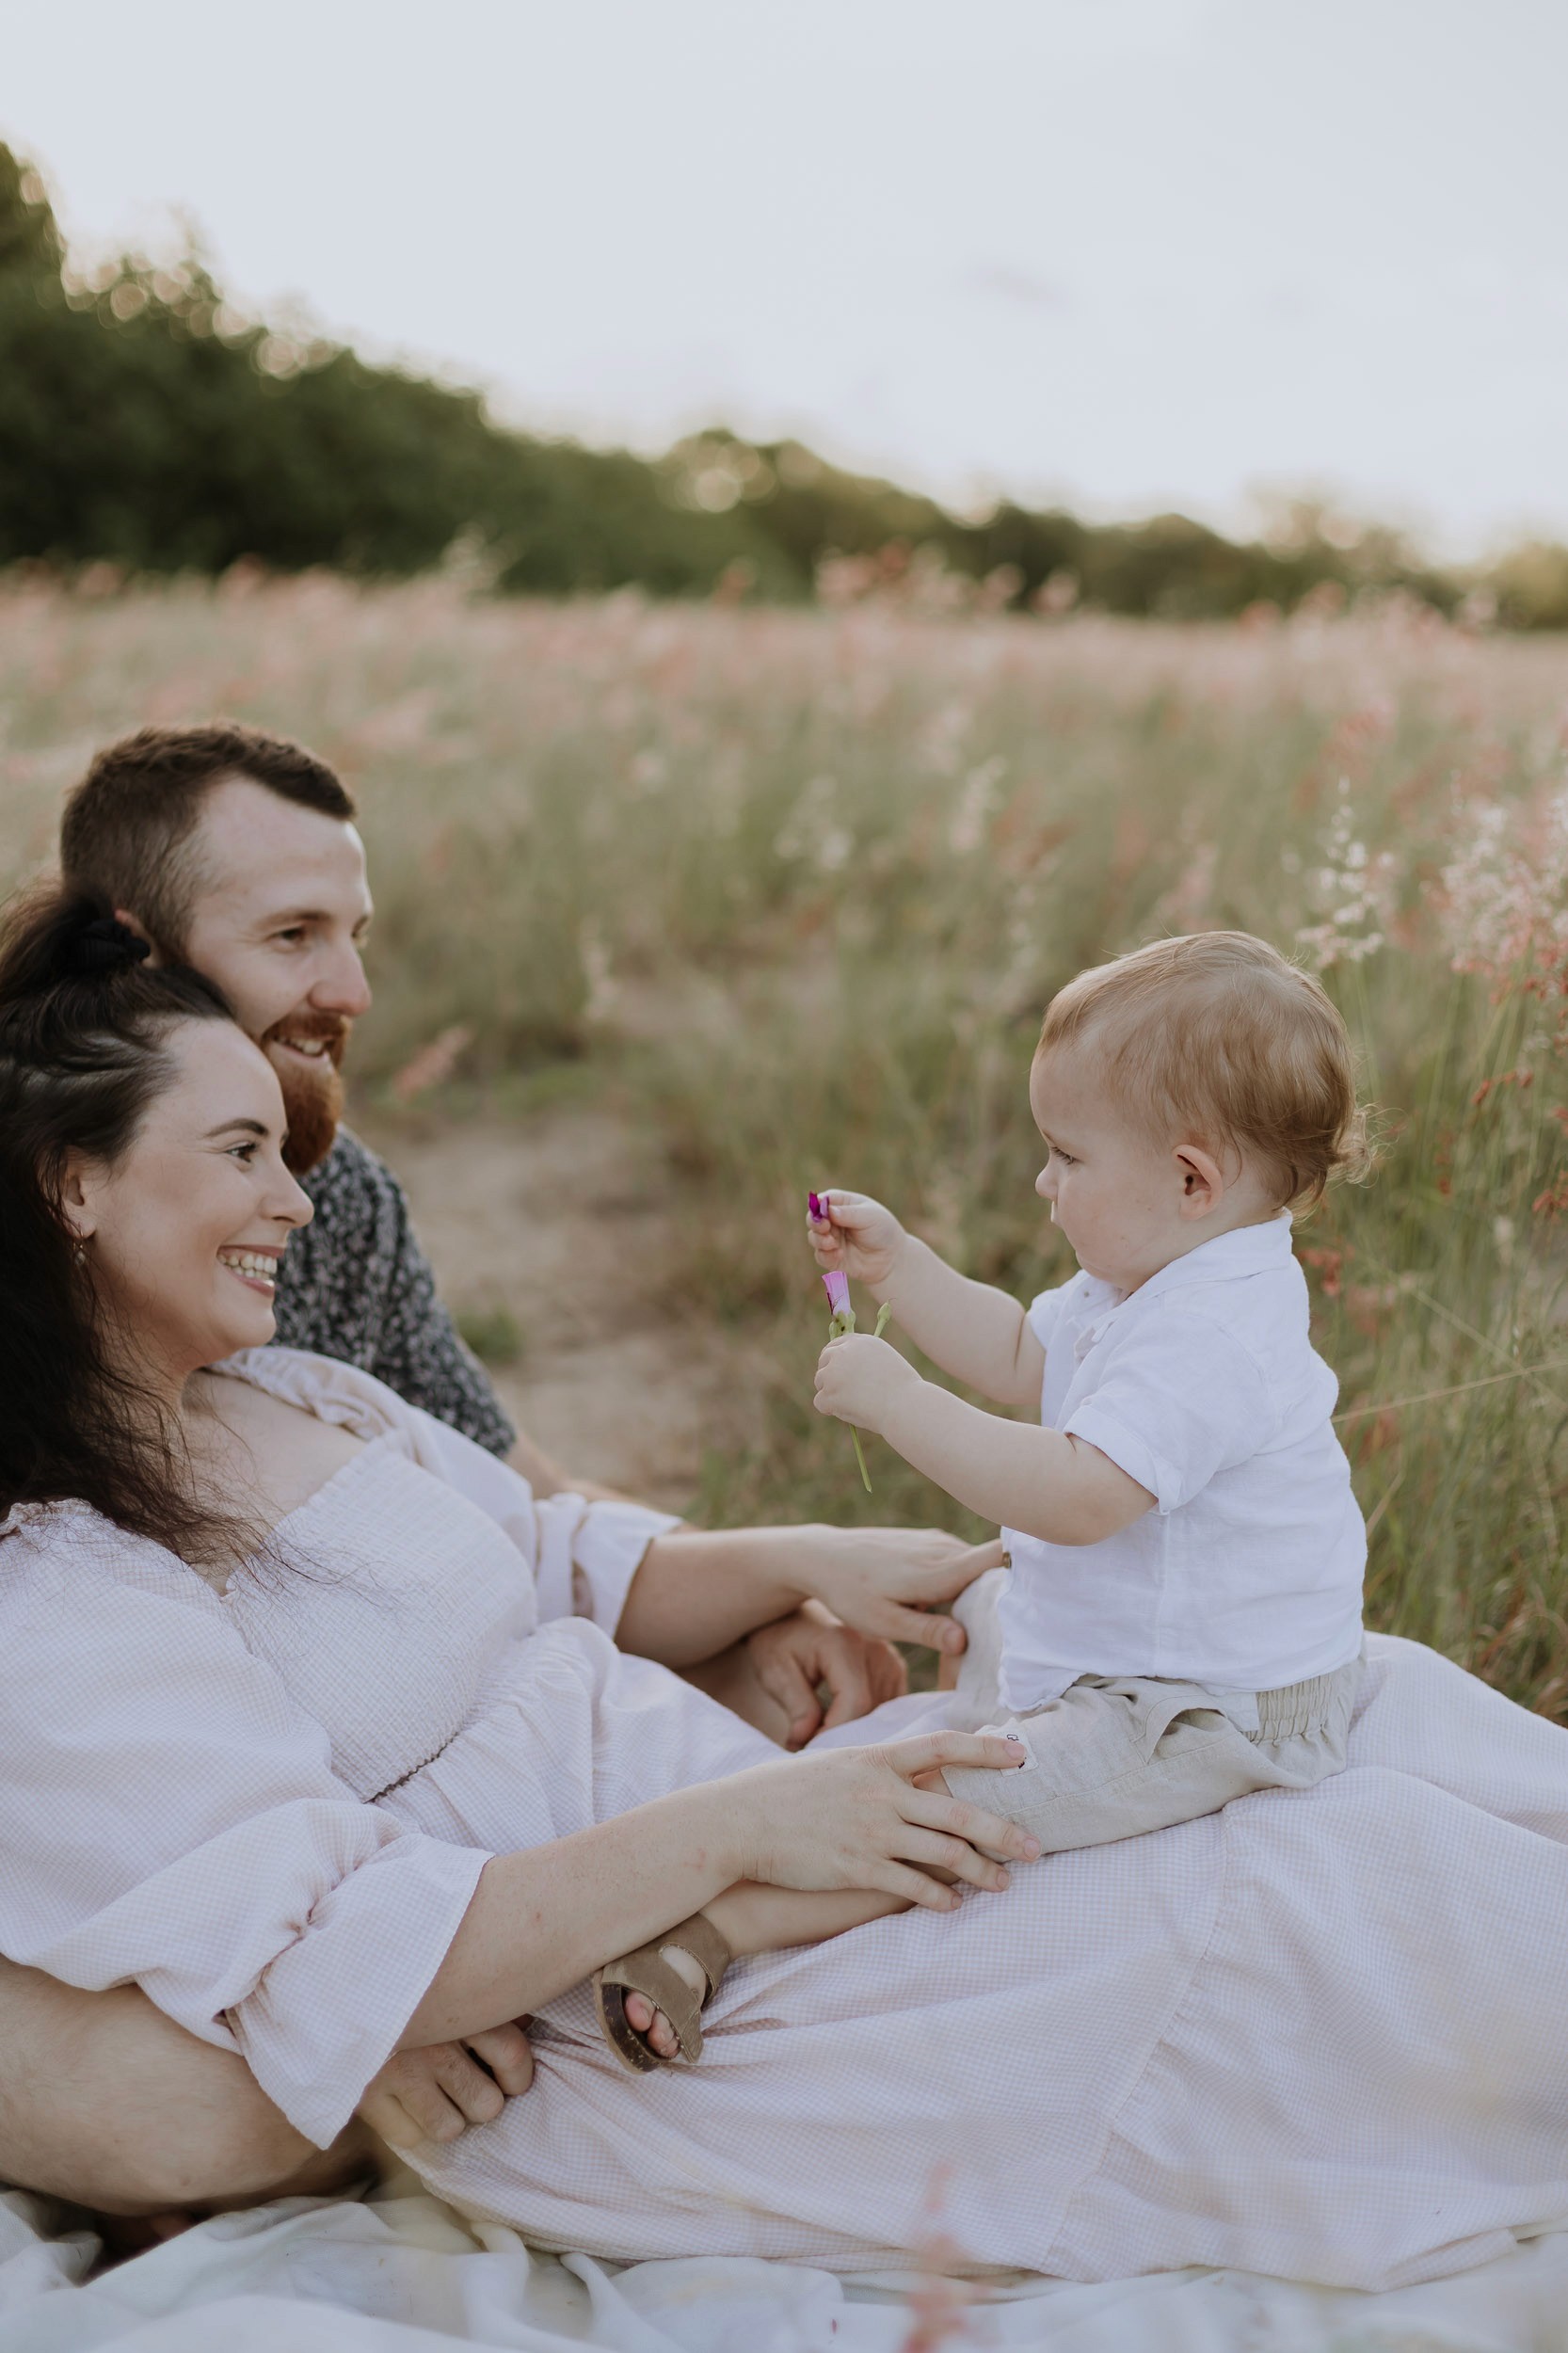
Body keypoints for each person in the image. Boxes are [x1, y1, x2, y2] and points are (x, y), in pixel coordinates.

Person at [4, 897, 1568, 2297]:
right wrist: (753, 1835)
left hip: (756, 1837)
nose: (296, 1199)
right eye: (237, 1153)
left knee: (1373, 1707)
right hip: (625, 2016)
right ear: (72, 1183)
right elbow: (333, 1957)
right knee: (1307, 1881)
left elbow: (551, 1565)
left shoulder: (298, 1394)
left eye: (286, 1148)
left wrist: (808, 1558)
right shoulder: (58, 1582)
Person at [0, 725, 993, 2217]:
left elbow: (521, 1517)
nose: (350, 989)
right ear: (134, 964)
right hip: (532, 1946)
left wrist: (769, 1581)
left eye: (357, 933)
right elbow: (233, 1910)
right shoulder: (63, 1562)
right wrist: (327, 2046)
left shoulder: (301, 1301)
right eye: (292, 936)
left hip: (618, 1857)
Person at [809, 932, 1368, 1857]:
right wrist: (899, 1270)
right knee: (986, 1600)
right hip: (1144, 1661)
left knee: (942, 1802)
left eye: (1066, 1156)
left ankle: (728, 1926)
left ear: (1190, 1180)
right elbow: (1026, 1357)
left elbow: (1078, 1497)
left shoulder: (1216, 1329)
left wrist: (900, 1404)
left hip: (1209, 1708)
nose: (1042, 1182)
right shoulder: (1144, 1272)